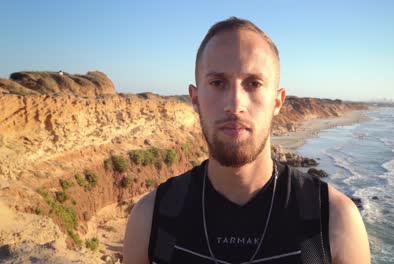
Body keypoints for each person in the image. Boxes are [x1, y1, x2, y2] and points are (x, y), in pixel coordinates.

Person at [124, 17, 370, 264]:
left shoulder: (335, 222)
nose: (235, 105)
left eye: (253, 84)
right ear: (195, 99)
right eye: (217, 83)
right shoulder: (150, 219)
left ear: (277, 101)